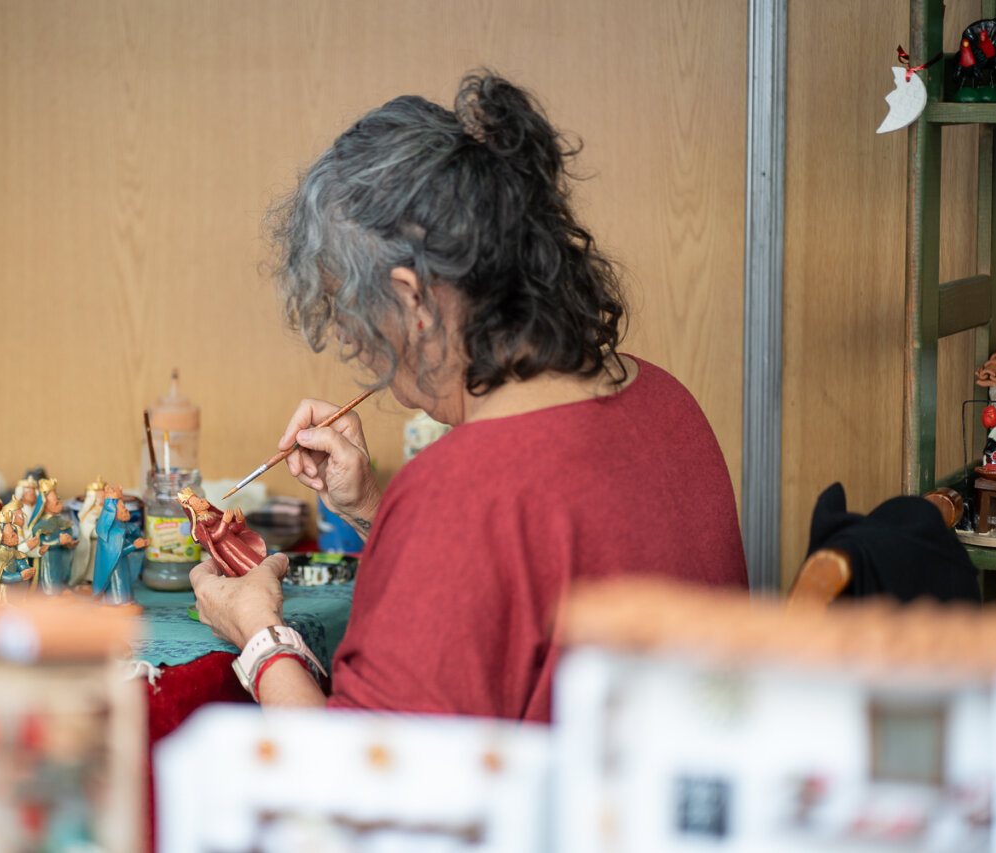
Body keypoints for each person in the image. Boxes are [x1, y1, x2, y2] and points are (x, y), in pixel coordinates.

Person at [191, 71, 748, 720]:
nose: (352, 344)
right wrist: (374, 509)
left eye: (348, 315)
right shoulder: (663, 397)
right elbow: (506, 589)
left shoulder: (463, 494)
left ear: (412, 299)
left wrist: (259, 634)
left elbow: (355, 773)